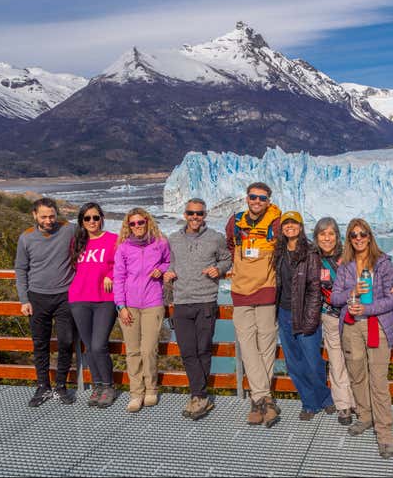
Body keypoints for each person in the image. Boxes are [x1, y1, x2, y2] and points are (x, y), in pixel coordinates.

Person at [314, 216, 393, 426]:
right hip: (338, 318)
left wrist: (388, 296)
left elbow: (390, 293)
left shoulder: (370, 261)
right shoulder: (321, 259)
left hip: (364, 320)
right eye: (354, 235)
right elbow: (332, 294)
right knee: (343, 366)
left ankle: (374, 419)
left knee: (370, 374)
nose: (358, 238)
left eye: (362, 234)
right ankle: (351, 408)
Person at [164, 198, 232, 420]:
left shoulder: (216, 238)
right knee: (187, 351)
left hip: (205, 300)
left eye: (199, 214)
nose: (195, 217)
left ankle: (198, 396)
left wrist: (219, 269)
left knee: (203, 349)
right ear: (185, 214)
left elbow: (226, 259)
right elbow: (168, 264)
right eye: (191, 213)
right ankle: (200, 395)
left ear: (205, 215)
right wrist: (168, 276)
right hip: (182, 301)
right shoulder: (173, 239)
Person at [225, 181, 282, 427]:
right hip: (240, 290)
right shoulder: (235, 222)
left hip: (267, 289)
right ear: (246, 198)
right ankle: (264, 398)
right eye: (253, 197)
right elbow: (230, 246)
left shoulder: (277, 222)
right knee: (248, 346)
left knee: (267, 343)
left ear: (268, 200)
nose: (257, 201)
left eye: (262, 198)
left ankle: (257, 401)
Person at [15, 197, 77, 407]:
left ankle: (60, 386)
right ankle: (43, 386)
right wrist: (24, 299)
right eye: (44, 216)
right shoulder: (26, 238)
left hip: (65, 296)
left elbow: (94, 236)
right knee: (40, 344)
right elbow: (21, 269)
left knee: (66, 341)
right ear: (35, 215)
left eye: (52, 216)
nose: (49, 220)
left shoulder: (69, 229)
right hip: (37, 297)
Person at [273, 211, 333, 420]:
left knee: (313, 359)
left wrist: (311, 317)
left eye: (294, 223)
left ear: (300, 227)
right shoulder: (278, 252)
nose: (290, 226)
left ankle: (325, 398)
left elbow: (315, 289)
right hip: (283, 312)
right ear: (282, 228)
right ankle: (309, 403)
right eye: (286, 223)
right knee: (294, 362)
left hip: (305, 313)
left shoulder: (310, 253)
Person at [114, 207, 170, 413]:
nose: (137, 226)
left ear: (148, 222)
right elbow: (118, 278)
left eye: (141, 222)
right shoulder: (123, 248)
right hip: (129, 306)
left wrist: (162, 269)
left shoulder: (160, 243)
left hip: (152, 303)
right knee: (133, 351)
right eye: (133, 223)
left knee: (149, 350)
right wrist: (121, 306)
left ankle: (151, 389)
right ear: (128, 226)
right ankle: (136, 393)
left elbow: (169, 261)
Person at [68, 202, 118, 408]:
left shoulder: (113, 240)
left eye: (95, 217)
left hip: (104, 299)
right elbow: (72, 267)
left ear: (101, 219)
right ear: (81, 221)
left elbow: (122, 265)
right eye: (87, 218)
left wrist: (111, 275)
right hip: (79, 298)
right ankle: (97, 386)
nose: (92, 222)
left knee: (99, 345)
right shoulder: (77, 242)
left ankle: (108, 386)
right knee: (89, 347)